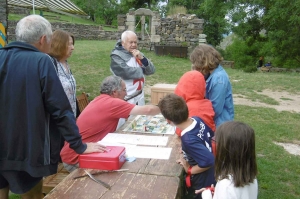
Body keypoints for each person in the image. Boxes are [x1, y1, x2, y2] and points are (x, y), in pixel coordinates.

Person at [0, 15, 104, 199]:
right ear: (43, 39)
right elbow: (60, 109)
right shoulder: (41, 61)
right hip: (27, 148)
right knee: (33, 196)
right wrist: (79, 145)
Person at [60, 75, 161, 172]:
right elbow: (148, 110)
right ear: (115, 92)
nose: (126, 93)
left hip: (79, 151)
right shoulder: (112, 103)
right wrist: (168, 107)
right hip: (76, 157)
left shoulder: (100, 99)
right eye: (124, 90)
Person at [158, 94, 215, 199]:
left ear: (168, 121)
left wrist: (189, 169)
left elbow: (209, 161)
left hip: (203, 181)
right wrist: (187, 150)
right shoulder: (197, 119)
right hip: (210, 174)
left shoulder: (188, 139)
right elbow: (209, 135)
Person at [195, 121, 258, 199]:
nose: (213, 142)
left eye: (215, 141)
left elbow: (228, 191)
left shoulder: (226, 186)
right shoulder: (250, 176)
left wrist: (206, 195)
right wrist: (217, 192)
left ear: (226, 150)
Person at [110, 30, 156, 129]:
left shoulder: (137, 53)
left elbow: (151, 70)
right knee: (124, 127)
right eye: (131, 42)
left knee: (139, 123)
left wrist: (142, 58)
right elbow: (126, 72)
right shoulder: (116, 56)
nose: (134, 45)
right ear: (123, 43)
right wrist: (143, 69)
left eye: (135, 42)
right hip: (126, 99)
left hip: (140, 96)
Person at [190, 44, 234, 127]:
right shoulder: (210, 74)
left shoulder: (219, 79)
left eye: (195, 63)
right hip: (213, 123)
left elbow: (215, 109)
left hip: (220, 126)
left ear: (202, 61)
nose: (195, 66)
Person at [175, 70, 216, 136]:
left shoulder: (187, 107)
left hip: (197, 143)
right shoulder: (207, 103)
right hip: (209, 141)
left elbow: (180, 131)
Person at [48, 29, 77, 117]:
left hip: (70, 117)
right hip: (58, 119)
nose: (73, 47)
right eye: (69, 44)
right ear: (59, 45)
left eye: (72, 44)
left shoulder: (65, 63)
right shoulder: (50, 64)